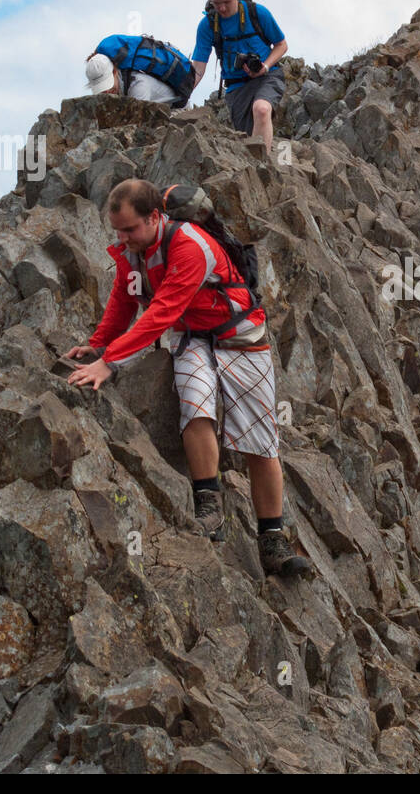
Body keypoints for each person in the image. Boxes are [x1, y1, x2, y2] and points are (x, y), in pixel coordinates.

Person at [63, 178, 311, 578]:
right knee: (195, 405)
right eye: (117, 231)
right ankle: (209, 506)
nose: (123, 239)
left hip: (240, 334)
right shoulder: (134, 251)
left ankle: (272, 542)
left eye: (130, 229)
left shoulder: (189, 245)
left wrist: (110, 362)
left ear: (155, 217)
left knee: (261, 440)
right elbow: (125, 299)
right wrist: (97, 344)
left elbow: (160, 311)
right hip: (190, 335)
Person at [190, 0, 289, 156]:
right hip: (236, 88)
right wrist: (182, 95)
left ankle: (263, 167)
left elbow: (282, 45)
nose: (221, 8)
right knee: (248, 138)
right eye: (216, 3)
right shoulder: (208, 25)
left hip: (268, 76)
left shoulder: (258, 13)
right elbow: (198, 68)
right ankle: (257, 165)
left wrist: (265, 66)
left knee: (261, 109)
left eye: (226, 2)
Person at [85, 35, 194, 107]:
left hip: (178, 112)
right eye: (102, 90)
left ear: (114, 71)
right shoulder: (124, 84)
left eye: (108, 86)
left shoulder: (138, 86)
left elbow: (138, 124)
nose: (107, 92)